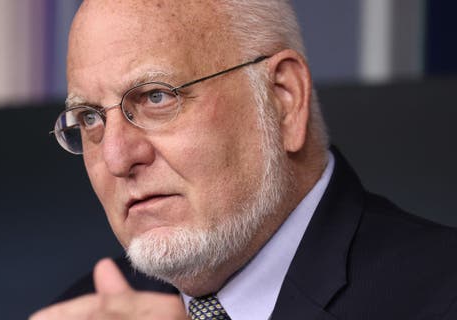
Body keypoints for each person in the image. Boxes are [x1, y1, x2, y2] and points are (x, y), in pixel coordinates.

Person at [32, 0, 457, 319]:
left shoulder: (441, 292)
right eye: (89, 117)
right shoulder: (86, 309)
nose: (117, 156)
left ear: (283, 100)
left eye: (156, 97)